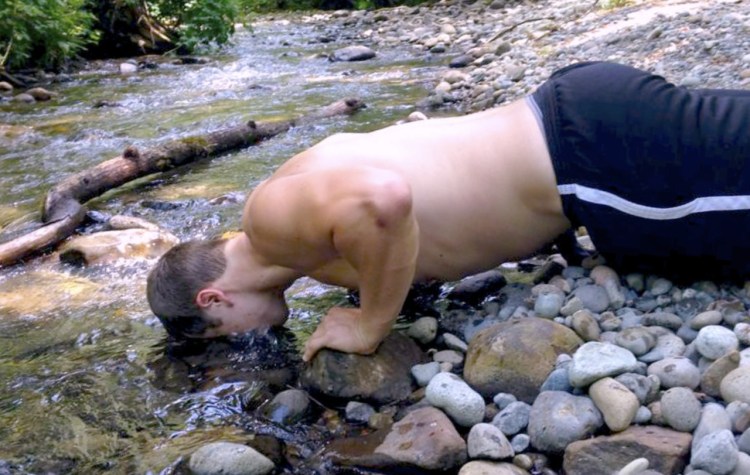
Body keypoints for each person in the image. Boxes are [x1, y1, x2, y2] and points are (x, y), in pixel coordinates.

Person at [147, 61, 750, 361]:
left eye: (226, 335)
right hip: (571, 130)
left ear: (213, 300)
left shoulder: (268, 223)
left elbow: (384, 199)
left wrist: (370, 325)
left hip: (588, 159)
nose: (250, 338)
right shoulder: (299, 241)